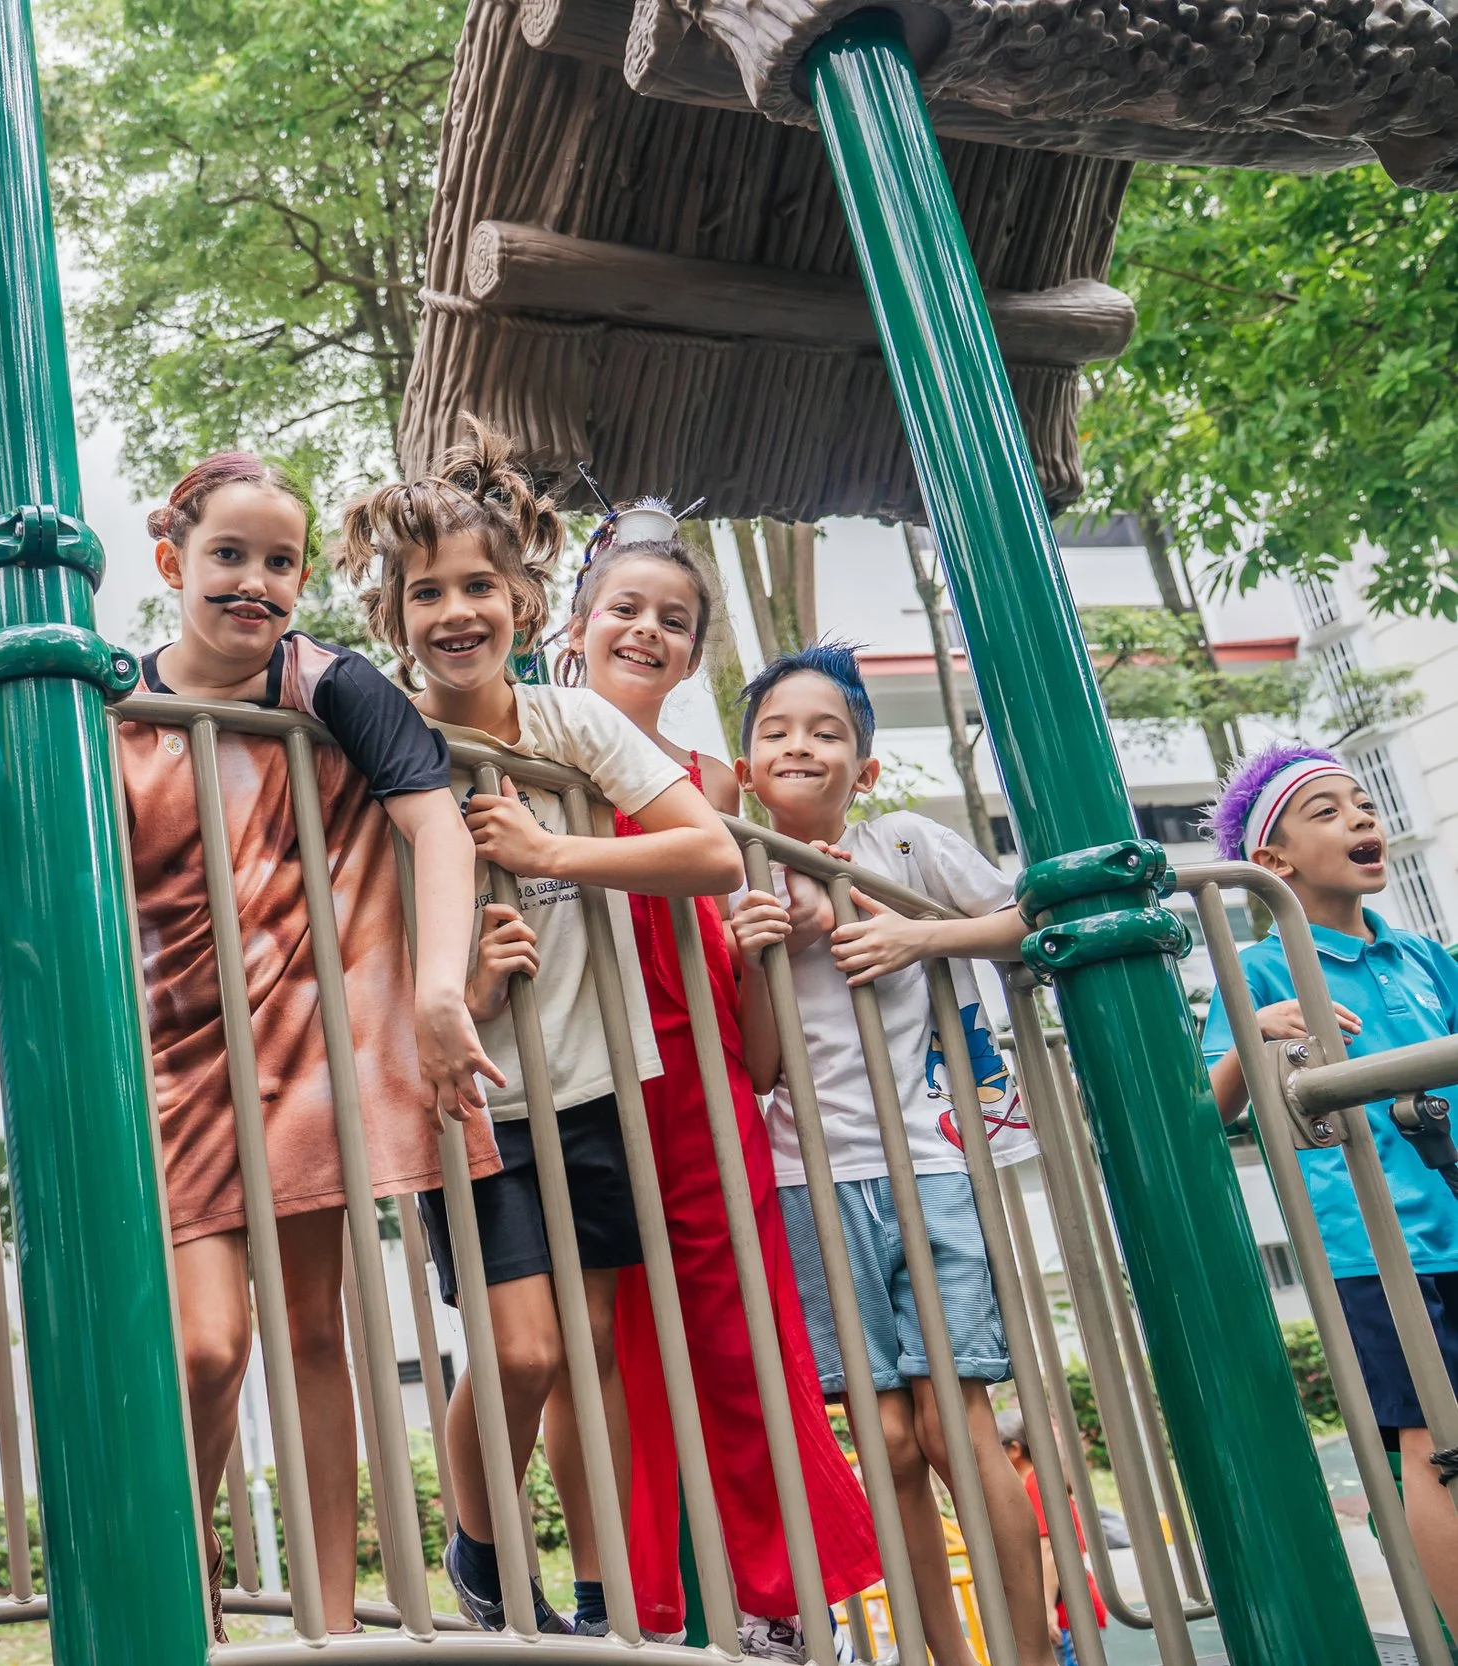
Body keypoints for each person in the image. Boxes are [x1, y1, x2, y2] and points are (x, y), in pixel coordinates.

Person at [336, 417, 742, 1636]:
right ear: (392, 616)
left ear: (521, 597)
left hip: (594, 1082)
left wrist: (555, 847)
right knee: (517, 1351)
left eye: (477, 586)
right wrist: (464, 979)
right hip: (470, 1091)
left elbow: (713, 850)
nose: (455, 611)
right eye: (426, 593)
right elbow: (349, 915)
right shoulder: (382, 731)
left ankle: (609, 1596)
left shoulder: (569, 726)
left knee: (590, 1354)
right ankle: (477, 1551)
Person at [120, 451, 502, 1638]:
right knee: (201, 1344)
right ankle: (183, 1601)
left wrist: (439, 991)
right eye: (227, 555)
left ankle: (330, 1621)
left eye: (278, 561)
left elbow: (432, 822)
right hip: (172, 1052)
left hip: (300, 1039)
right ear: (169, 557)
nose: (254, 582)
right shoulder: (111, 703)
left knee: (306, 1324)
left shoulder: (325, 681)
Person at [558, 505, 880, 1658]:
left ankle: (781, 1595)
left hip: (697, 1072)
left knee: (742, 1333)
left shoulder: (712, 786)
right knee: (596, 1344)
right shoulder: (528, 750)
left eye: (675, 620)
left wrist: (773, 929)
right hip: (583, 1074)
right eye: (627, 609)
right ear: (580, 623)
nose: (648, 630)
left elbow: (755, 1019)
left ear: (694, 653)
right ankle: (630, 1605)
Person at [724, 642, 1051, 1666]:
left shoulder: (904, 847)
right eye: (776, 731)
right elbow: (765, 1067)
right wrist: (760, 954)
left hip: (928, 1169)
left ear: (862, 769)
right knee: (888, 1440)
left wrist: (919, 937)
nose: (800, 745)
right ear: (745, 770)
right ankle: (944, 1655)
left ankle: (1032, 1651)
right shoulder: (740, 876)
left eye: (826, 732)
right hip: (806, 1186)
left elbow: (1027, 914)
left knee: (957, 1422)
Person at [1201, 742, 1458, 1623]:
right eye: (1328, 811)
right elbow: (1208, 1104)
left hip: (1454, 1215)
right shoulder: (1263, 968)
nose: (1361, 818)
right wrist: (1255, 1033)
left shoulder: (1424, 959)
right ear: (1271, 861)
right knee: (1433, 1443)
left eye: (1365, 805)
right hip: (1373, 1246)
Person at [997, 1407, 1104, 1665]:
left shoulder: (1037, 1484)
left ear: (1014, 1449)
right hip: (1067, 1611)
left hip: (1066, 1614)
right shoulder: (1032, 1483)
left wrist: (1045, 1612)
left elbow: (1049, 1551)